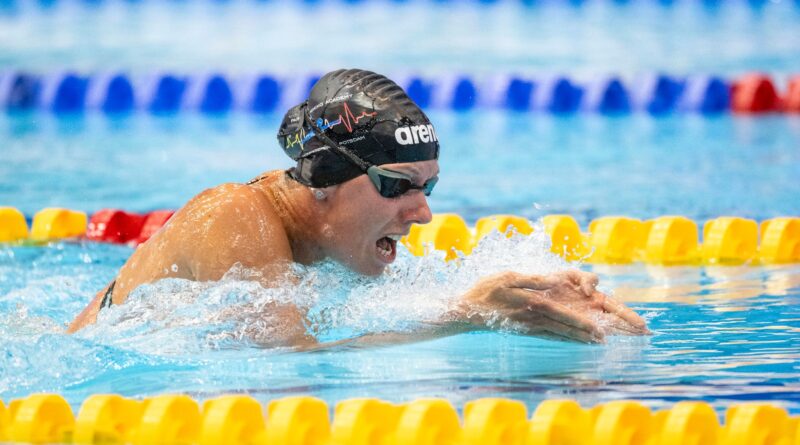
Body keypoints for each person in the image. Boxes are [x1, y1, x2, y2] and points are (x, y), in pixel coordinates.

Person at [68, 69, 648, 345]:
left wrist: (518, 298)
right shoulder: (234, 216)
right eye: (397, 186)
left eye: (429, 188)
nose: (422, 214)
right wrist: (465, 316)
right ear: (322, 177)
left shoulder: (330, 241)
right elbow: (286, 372)